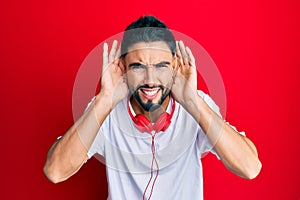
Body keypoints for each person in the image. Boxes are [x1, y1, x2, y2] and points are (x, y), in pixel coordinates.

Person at [44, 15, 262, 200]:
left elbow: (250, 168)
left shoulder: (196, 103)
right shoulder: (104, 109)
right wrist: (104, 100)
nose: (150, 80)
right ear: (123, 67)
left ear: (175, 66)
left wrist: (193, 102)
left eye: (161, 66)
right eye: (138, 67)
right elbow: (54, 172)